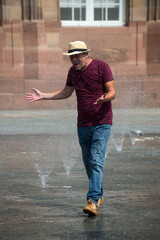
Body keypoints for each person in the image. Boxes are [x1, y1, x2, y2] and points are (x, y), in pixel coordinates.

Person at [25, 41, 116, 217]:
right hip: (83, 124)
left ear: (86, 54)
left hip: (102, 122)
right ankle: (99, 194)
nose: (74, 60)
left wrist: (106, 98)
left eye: (77, 56)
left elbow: (112, 91)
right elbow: (66, 92)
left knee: (96, 160)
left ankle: (93, 200)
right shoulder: (73, 72)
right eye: (71, 57)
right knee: (88, 163)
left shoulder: (101, 66)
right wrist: (43, 96)